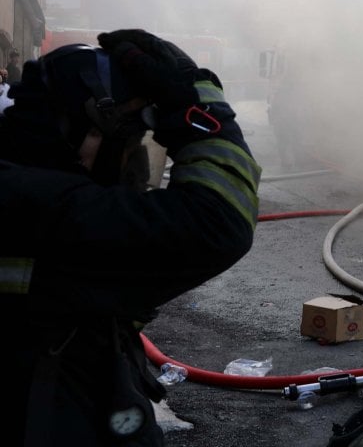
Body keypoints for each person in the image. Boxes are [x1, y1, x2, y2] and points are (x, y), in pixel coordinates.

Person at [0, 29, 261, 446]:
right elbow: (219, 221)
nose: (134, 160)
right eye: (128, 139)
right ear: (86, 130)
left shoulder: (23, 178)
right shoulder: (43, 206)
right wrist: (199, 107)